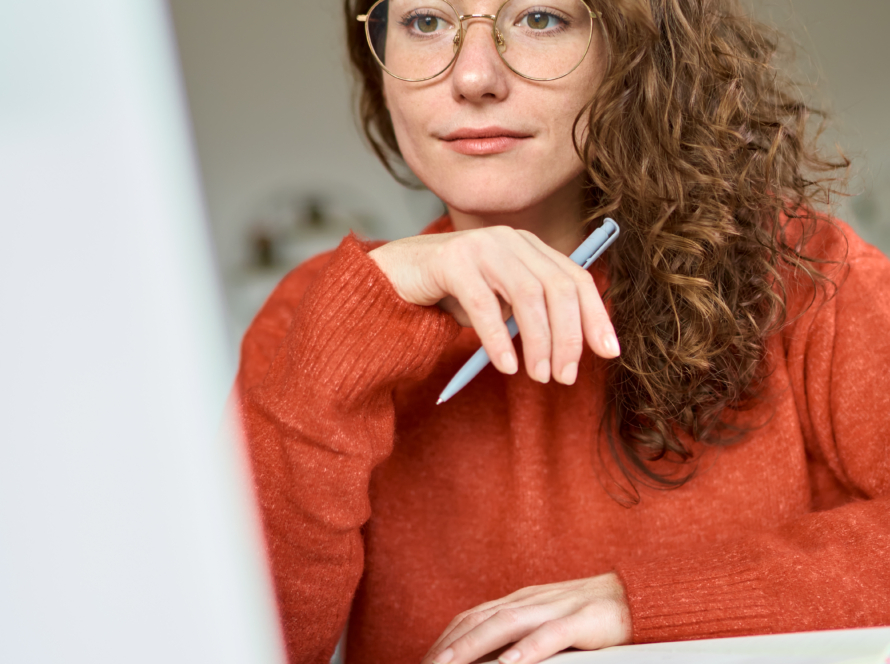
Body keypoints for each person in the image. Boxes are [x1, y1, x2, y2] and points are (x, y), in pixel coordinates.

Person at [233, 0, 890, 662]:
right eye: (426, 21)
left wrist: (642, 606)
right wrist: (365, 317)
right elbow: (231, 640)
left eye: (540, 17)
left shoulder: (806, 273)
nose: (474, 77)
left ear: (632, 51)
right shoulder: (314, 316)